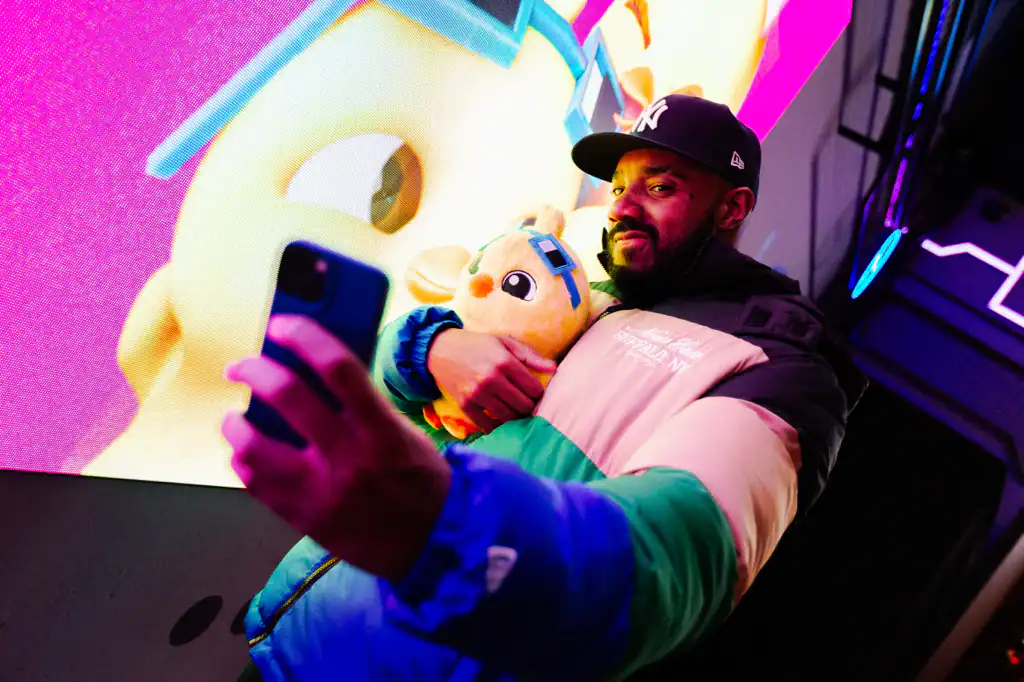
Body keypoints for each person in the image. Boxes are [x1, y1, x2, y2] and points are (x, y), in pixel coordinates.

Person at [224, 94, 867, 682]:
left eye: (660, 186)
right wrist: (430, 350)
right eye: (619, 186)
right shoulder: (587, 294)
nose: (623, 206)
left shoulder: (784, 366)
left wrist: (444, 529)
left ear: (731, 208)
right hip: (286, 640)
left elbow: (670, 560)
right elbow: (393, 391)